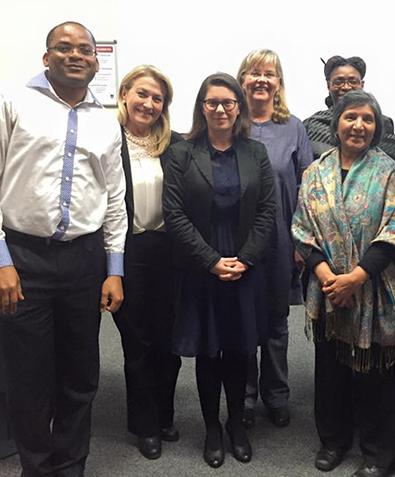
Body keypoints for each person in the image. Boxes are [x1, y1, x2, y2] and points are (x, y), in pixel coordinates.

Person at [0, 21, 127, 477]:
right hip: (22, 258)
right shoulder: (8, 100)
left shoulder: (105, 122)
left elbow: (114, 199)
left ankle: (71, 466)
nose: (76, 55)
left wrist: (113, 268)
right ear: (46, 56)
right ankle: (36, 468)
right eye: (64, 47)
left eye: (85, 50)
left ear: (96, 61)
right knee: (29, 376)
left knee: (81, 374)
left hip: (84, 260)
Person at [292, 90, 395, 477]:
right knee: (330, 370)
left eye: (368, 119)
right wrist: (327, 276)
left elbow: (394, 231)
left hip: (371, 289)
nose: (359, 125)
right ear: (337, 123)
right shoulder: (315, 172)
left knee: (374, 373)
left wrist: (355, 278)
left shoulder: (388, 170)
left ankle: (379, 453)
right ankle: (334, 440)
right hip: (326, 290)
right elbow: (302, 229)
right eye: (351, 117)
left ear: (376, 127)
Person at [162, 72, 276, 468]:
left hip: (245, 265)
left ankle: (236, 425)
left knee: (241, 349)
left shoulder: (255, 154)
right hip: (201, 266)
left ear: (239, 108)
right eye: (212, 102)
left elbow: (266, 212)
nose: (221, 109)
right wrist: (211, 260)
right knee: (209, 353)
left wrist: (244, 259)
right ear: (202, 107)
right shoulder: (181, 153)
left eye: (228, 102)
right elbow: (173, 215)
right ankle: (212, 427)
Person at [236, 49, 314, 429]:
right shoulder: (230, 124)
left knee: (276, 323)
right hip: (236, 242)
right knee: (243, 321)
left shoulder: (294, 127)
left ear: (279, 83)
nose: (262, 79)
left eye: (270, 73)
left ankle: (276, 395)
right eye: (254, 73)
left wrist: (303, 242)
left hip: (282, 242)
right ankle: (245, 398)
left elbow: (308, 188)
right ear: (242, 80)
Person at [110, 65, 184, 460]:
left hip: (169, 253)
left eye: (157, 99)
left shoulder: (173, 144)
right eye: (142, 94)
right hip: (128, 252)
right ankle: (145, 424)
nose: (149, 104)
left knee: (168, 342)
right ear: (125, 93)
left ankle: (166, 414)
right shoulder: (108, 141)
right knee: (137, 342)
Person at [303, 55, 395, 162]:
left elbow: (391, 169)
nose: (346, 87)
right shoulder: (312, 125)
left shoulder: (381, 123)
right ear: (328, 86)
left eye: (353, 81)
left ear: (362, 85)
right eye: (338, 82)